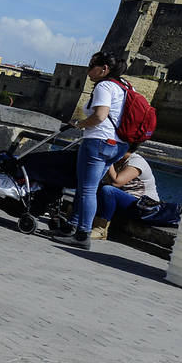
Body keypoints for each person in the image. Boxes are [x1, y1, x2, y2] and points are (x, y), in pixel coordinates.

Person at [47, 50, 130, 250]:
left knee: (87, 189)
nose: (88, 71)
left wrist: (81, 124)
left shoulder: (104, 86)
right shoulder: (124, 86)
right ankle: (71, 227)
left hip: (98, 141)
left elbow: (100, 116)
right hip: (118, 145)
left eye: (92, 66)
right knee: (87, 187)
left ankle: (83, 234)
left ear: (104, 69)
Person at [94, 148, 160, 232]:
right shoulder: (117, 161)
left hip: (144, 207)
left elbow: (116, 183)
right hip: (127, 201)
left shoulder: (136, 162)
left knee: (108, 190)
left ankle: (100, 230)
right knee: (93, 186)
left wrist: (108, 161)